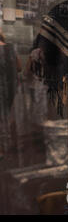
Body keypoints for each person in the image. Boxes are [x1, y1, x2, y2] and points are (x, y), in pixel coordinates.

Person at [0, 27, 21, 169]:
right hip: (10, 89)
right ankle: (5, 148)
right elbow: (19, 67)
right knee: (5, 117)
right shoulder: (11, 48)